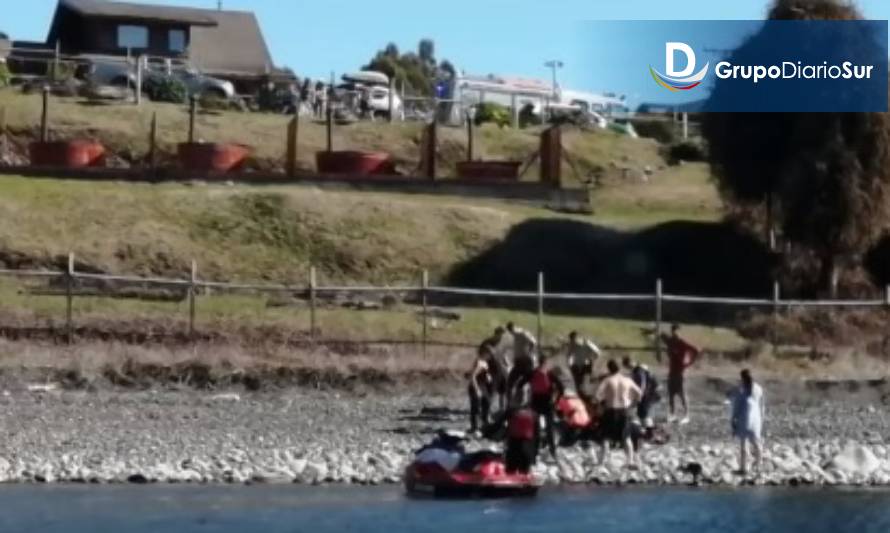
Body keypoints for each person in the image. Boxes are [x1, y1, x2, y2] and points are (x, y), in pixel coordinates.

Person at [595, 359, 642, 468]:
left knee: (606, 437)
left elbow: (597, 396)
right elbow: (639, 393)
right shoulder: (627, 380)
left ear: (609, 369)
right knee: (626, 437)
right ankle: (630, 461)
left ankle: (601, 462)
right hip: (625, 411)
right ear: (619, 368)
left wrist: (602, 404)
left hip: (611, 410)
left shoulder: (607, 380)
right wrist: (632, 404)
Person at [661, 324, 700, 424]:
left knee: (682, 394)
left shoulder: (682, 342)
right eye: (673, 331)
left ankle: (686, 415)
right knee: (671, 394)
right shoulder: (670, 341)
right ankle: (672, 414)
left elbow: (696, 350)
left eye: (676, 331)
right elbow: (662, 336)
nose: (674, 332)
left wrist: (688, 363)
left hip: (680, 372)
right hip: (672, 371)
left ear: (679, 331)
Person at [730, 369, 765, 475]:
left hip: (744, 419)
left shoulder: (741, 390)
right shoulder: (758, 389)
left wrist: (733, 420)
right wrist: (762, 417)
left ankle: (744, 468)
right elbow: (762, 405)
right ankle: (759, 465)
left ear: (742, 378)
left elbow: (737, 406)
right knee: (756, 442)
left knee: (744, 443)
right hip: (756, 418)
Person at [528, 355, 557, 458]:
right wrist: (556, 400)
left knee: (536, 430)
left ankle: (534, 453)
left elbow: (522, 383)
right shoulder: (549, 374)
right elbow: (560, 387)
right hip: (547, 403)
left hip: (536, 402)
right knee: (549, 429)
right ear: (545, 363)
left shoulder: (533, 373)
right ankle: (553, 452)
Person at [505, 322, 538, 406]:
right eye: (510, 332)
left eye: (511, 331)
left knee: (530, 382)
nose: (511, 333)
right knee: (510, 382)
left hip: (525, 361)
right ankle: (510, 403)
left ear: (513, 328)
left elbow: (533, 342)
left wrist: (529, 352)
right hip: (518, 362)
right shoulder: (515, 335)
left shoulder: (522, 333)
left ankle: (531, 402)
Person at [622, 356, 659, 428]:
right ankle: (648, 428)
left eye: (627, 366)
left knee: (643, 413)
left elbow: (642, 385)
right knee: (641, 413)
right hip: (647, 394)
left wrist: (639, 396)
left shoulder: (638, 370)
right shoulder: (639, 369)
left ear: (628, 364)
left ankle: (650, 429)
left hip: (646, 395)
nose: (627, 368)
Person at [480, 327, 509, 411]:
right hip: (490, 369)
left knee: (502, 390)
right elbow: (482, 357)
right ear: (497, 334)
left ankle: (501, 408)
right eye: (502, 335)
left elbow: (504, 355)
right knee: (490, 390)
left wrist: (507, 365)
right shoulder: (487, 343)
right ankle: (486, 409)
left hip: (500, 369)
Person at [566, 331, 602, 396]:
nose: (572, 342)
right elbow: (569, 355)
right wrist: (569, 364)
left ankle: (585, 394)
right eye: (571, 340)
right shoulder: (572, 345)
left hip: (586, 365)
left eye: (573, 339)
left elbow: (597, 353)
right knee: (577, 383)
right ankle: (579, 394)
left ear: (576, 338)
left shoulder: (587, 344)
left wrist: (591, 359)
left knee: (584, 383)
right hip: (576, 366)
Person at [468, 346, 494, 435]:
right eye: (489, 354)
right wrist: (477, 389)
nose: (491, 356)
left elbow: (483, 374)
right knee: (476, 407)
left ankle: (485, 422)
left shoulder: (485, 363)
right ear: (485, 353)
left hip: (483, 385)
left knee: (487, 402)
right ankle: (474, 427)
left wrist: (488, 377)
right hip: (476, 386)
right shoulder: (479, 362)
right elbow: (473, 376)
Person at [504, 406, 538, 474]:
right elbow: (536, 436)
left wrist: (485, 432)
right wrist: (534, 456)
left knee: (510, 475)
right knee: (524, 476)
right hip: (527, 449)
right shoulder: (533, 414)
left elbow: (498, 425)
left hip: (513, 449)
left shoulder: (511, 411)